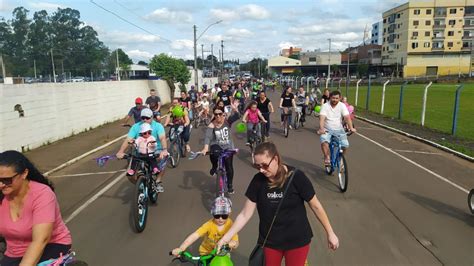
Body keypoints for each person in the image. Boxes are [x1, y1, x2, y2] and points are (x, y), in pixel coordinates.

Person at [217, 142, 339, 266]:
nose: (261, 170)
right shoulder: (258, 181)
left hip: (297, 241)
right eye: (257, 166)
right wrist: (226, 238)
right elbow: (244, 214)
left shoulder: (296, 177)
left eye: (265, 165)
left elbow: (315, 206)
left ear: (275, 159)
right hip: (270, 241)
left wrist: (330, 232)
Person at [0, 151, 72, 266]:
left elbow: (41, 240)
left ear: (24, 174)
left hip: (50, 245)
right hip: (15, 251)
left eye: (7, 180)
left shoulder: (42, 194)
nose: (1, 185)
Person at [116, 108, 168, 192]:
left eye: (147, 118)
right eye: (143, 118)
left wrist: (164, 150)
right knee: (129, 175)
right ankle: (141, 185)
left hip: (155, 150)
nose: (145, 120)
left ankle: (158, 181)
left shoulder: (158, 126)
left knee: (162, 160)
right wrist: (121, 151)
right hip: (139, 152)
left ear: (152, 117)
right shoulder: (136, 126)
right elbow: (128, 139)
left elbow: (162, 138)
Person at [171, 196, 239, 261]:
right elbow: (195, 235)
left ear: (229, 213)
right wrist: (182, 248)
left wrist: (231, 244)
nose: (220, 219)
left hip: (222, 253)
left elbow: (236, 242)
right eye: (217, 215)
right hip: (206, 252)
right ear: (213, 214)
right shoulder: (209, 225)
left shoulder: (231, 226)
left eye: (224, 216)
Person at [200, 103, 240, 194]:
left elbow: (238, 116)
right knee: (212, 154)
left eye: (220, 114)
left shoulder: (227, 121)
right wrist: (205, 148)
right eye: (216, 114)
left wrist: (235, 109)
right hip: (216, 145)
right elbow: (208, 137)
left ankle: (230, 185)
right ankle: (214, 166)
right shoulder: (212, 124)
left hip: (228, 147)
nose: (218, 116)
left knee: (229, 166)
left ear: (223, 114)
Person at [317, 91, 356, 167]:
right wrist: (321, 128)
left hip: (339, 129)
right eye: (333, 98)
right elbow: (322, 118)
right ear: (330, 98)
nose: (335, 100)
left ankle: (340, 158)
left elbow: (347, 117)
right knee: (324, 141)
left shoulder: (342, 106)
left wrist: (351, 128)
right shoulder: (325, 106)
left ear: (340, 98)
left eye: (337, 98)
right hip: (327, 129)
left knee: (345, 145)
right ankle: (327, 156)